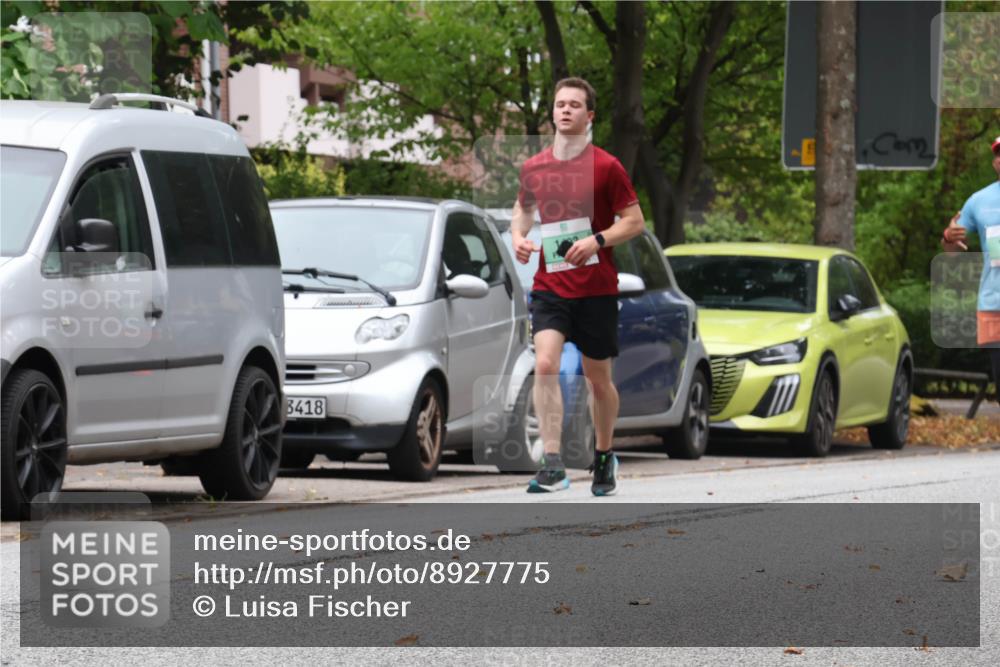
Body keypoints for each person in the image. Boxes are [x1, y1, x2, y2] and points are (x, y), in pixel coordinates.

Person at [510, 77, 645, 496]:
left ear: (589, 116)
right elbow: (523, 209)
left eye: (574, 105)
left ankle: (603, 454)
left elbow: (634, 222)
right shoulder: (535, 167)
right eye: (560, 104)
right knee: (545, 364)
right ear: (552, 112)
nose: (565, 110)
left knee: (597, 379)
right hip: (550, 285)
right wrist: (518, 236)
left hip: (596, 288)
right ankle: (553, 463)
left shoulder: (606, 166)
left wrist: (597, 241)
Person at [941, 135, 1000, 399]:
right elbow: (952, 252)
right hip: (994, 304)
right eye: (998, 154)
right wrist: (948, 237)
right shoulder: (979, 201)